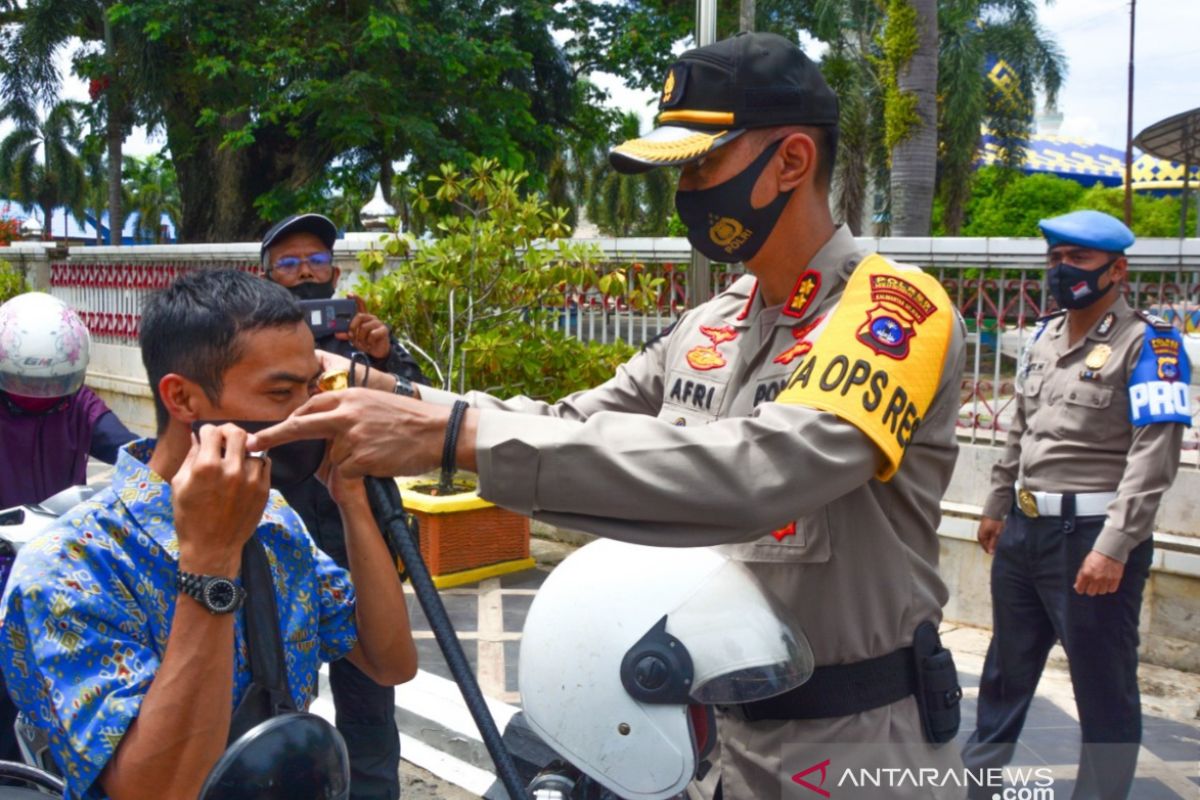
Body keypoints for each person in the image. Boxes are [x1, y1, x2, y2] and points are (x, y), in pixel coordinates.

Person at [250, 32, 968, 799]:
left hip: (855, 742)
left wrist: (454, 438)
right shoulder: (714, 322)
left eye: (702, 165)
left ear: (791, 161)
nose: (687, 191)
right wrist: (374, 386)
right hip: (701, 737)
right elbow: (568, 419)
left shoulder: (894, 312)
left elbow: (762, 472)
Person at [0, 270, 418, 800]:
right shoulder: (70, 569)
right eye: (282, 392)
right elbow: (155, 791)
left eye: (313, 387)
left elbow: (389, 662)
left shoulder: (276, 523)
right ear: (184, 400)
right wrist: (211, 561)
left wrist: (351, 499)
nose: (308, 412)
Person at [961, 210, 1190, 799]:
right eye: (1055, 258)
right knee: (1005, 676)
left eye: (1078, 260)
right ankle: (978, 789)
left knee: (1103, 688)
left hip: (1091, 540)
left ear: (1117, 269)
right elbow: (1020, 427)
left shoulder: (1151, 344)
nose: (1063, 271)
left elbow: (1153, 456)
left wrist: (1115, 546)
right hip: (1024, 532)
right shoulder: (1043, 335)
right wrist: (995, 504)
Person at [261, 212, 427, 799]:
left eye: (316, 259)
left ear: (334, 271)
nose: (305, 271)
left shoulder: (359, 335)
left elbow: (413, 415)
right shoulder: (250, 345)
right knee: (271, 696)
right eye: (289, 261)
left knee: (369, 703)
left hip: (359, 541)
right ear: (265, 275)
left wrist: (380, 361)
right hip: (277, 544)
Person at [0, 291, 136, 509]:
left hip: (61, 533)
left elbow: (126, 447)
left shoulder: (79, 405)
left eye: (50, 384)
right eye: (24, 382)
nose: (38, 392)